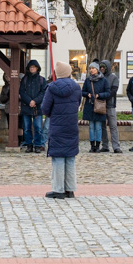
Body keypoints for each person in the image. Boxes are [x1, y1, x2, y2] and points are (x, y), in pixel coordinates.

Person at [42, 61, 82, 199]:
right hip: (71, 125)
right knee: (70, 157)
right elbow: (78, 103)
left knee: (58, 157)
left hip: (57, 126)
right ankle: (70, 189)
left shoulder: (51, 88)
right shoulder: (76, 87)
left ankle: (58, 189)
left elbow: (45, 108)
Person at [81, 61, 110, 153]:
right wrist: (87, 94)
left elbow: (108, 92)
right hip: (90, 105)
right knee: (91, 126)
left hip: (99, 106)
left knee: (98, 126)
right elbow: (82, 92)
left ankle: (97, 145)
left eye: (93, 68)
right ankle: (92, 145)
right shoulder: (88, 80)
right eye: (90, 68)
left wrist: (99, 95)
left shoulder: (103, 80)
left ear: (97, 69)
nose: (91, 70)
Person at [20, 59, 47, 153]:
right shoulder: (25, 79)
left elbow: (43, 93)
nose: (32, 69)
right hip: (26, 106)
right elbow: (22, 92)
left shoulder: (41, 80)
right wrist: (29, 101)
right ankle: (29, 145)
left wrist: (35, 101)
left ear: (37, 68)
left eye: (34, 67)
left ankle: (37, 145)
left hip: (37, 107)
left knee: (38, 128)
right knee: (26, 128)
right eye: (31, 67)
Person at [98, 59, 122, 153]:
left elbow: (114, 91)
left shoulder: (114, 78)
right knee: (102, 126)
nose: (102, 69)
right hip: (100, 105)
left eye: (103, 67)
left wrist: (104, 96)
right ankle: (105, 145)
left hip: (110, 105)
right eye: (101, 67)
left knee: (113, 126)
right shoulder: (99, 77)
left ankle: (116, 146)